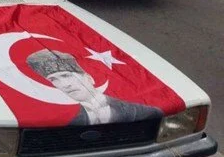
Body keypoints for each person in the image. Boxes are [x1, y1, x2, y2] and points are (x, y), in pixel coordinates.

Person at [26, 50, 162, 125]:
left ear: (89, 77)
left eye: (67, 75)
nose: (65, 85)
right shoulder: (62, 120)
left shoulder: (144, 112)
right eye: (53, 80)